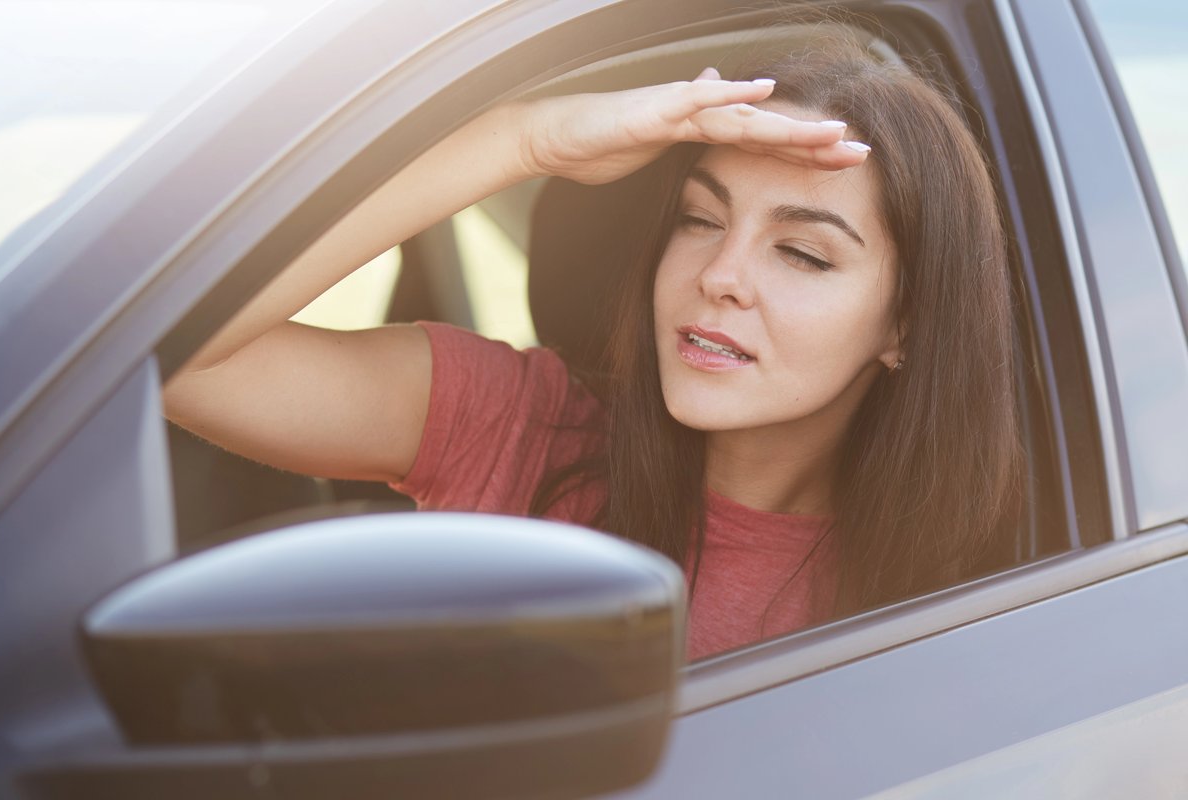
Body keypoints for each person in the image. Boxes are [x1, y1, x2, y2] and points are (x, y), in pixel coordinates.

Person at [163, 30, 1022, 660]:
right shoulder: (525, 430)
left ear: (904, 326)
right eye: (699, 218)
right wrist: (522, 140)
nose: (721, 274)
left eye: (801, 251)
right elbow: (185, 356)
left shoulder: (975, 591)